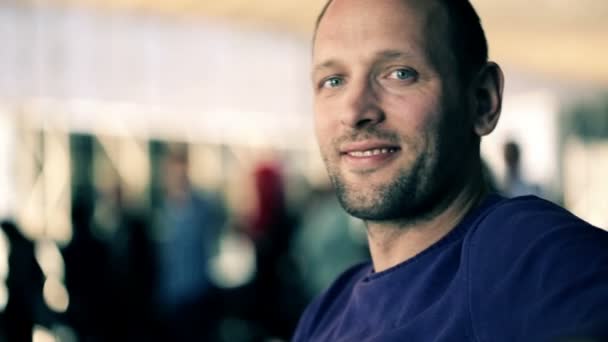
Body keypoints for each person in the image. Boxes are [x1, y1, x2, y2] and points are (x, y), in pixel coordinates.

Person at [292, 0, 608, 341]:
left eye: (400, 73)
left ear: (483, 100)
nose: (354, 111)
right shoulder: (329, 310)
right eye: (333, 80)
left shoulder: (527, 256)